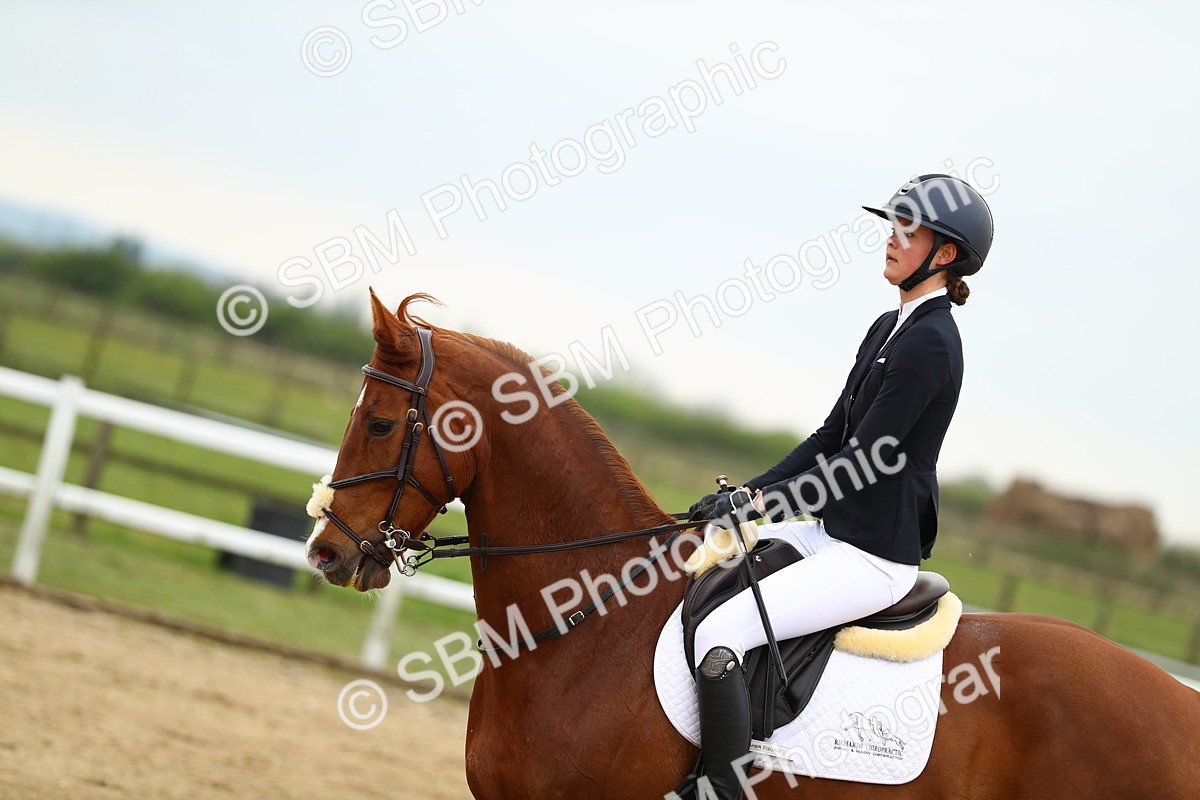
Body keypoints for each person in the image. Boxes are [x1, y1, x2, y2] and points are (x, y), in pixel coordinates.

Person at [685, 173, 994, 799]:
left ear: (946, 254)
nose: (891, 238)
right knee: (705, 578)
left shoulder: (933, 342)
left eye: (909, 230)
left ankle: (723, 787)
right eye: (892, 225)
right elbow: (829, 436)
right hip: (828, 531)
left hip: (872, 555)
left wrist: (764, 505)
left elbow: (860, 461)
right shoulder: (889, 326)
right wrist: (746, 495)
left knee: (723, 632)